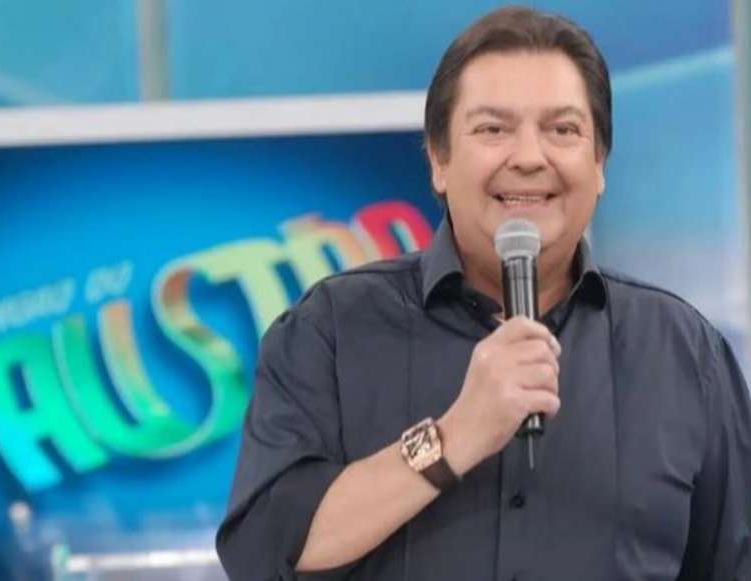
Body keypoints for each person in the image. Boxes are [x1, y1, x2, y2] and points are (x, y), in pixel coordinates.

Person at [216, 6, 751, 580]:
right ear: (438, 159)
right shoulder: (330, 330)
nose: (529, 157)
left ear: (599, 164)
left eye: (563, 130)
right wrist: (454, 436)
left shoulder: (683, 352)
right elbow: (263, 553)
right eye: (494, 129)